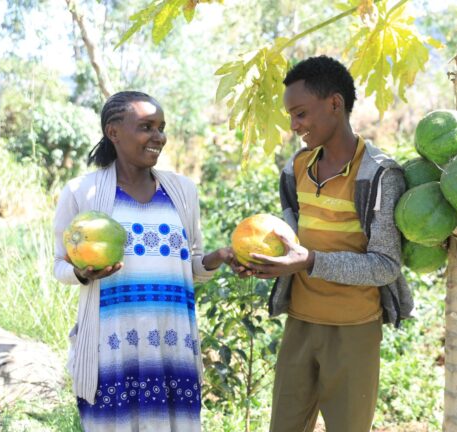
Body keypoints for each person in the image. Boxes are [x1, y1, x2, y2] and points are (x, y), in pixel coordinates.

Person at [241, 56, 414, 432]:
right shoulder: (296, 168)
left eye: (301, 113)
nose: (294, 126)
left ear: (335, 104)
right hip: (301, 323)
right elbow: (291, 239)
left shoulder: (380, 175)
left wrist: (309, 261)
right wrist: (258, 258)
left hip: (354, 330)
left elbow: (385, 265)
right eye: (291, 116)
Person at [53, 91, 233, 431]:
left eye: (162, 127)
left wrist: (217, 258)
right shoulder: (82, 192)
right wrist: (81, 273)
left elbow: (191, 266)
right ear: (114, 132)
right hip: (112, 349)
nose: (159, 137)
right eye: (146, 127)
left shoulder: (182, 192)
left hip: (172, 346)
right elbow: (58, 266)